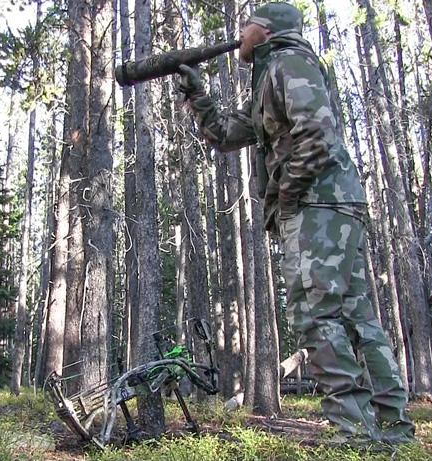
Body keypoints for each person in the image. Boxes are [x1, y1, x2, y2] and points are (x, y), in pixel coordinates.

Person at [176, 1, 415, 445]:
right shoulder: (272, 73)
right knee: (355, 314)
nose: (239, 32)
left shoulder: (288, 62)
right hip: (330, 205)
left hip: (317, 207)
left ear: (264, 30)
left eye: (245, 25)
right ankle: (393, 429)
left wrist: (287, 195)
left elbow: (318, 134)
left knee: (317, 314)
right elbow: (229, 133)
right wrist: (198, 95)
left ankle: (356, 433)